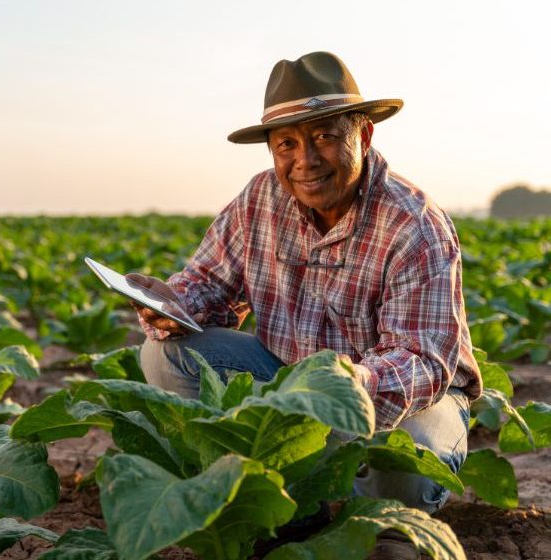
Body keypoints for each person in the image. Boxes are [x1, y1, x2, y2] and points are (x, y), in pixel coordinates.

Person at [129, 52, 482, 522]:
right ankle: (270, 494)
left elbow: (423, 360)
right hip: (288, 376)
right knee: (163, 354)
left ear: (364, 134)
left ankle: (365, 516)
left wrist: (355, 384)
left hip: (402, 397)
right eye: (287, 144)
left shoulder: (413, 224)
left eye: (324, 137)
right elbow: (209, 284)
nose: (306, 161)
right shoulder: (260, 200)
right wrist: (171, 304)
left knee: (407, 465)